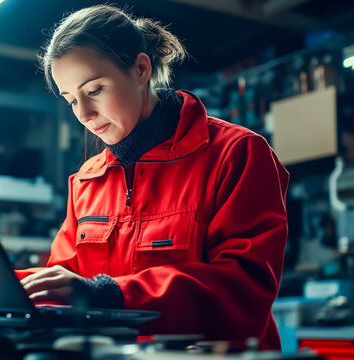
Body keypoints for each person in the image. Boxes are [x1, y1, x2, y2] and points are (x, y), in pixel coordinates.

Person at [16, 5, 289, 350]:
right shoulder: (87, 181)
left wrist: (109, 294)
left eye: (95, 90)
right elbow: (58, 286)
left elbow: (242, 291)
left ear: (141, 69)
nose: (83, 114)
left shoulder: (237, 154)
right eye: (71, 100)